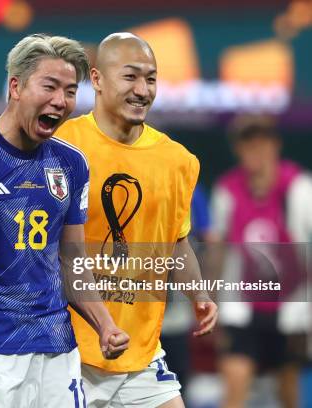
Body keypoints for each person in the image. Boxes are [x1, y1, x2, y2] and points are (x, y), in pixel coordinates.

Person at [0, 34, 129, 407]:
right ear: (16, 87)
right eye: (49, 86)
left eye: (69, 91)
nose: (60, 101)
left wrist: (105, 324)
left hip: (57, 345)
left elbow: (72, 260)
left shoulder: (72, 164)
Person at [52, 32, 218, 408]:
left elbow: (176, 242)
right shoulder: (61, 144)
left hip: (139, 352)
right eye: (130, 77)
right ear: (96, 80)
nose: (143, 90)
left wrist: (199, 294)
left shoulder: (179, 161)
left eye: (151, 78)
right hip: (64, 349)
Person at [211, 115, 311, 408]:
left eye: (262, 143)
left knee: (288, 392)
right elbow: (218, 250)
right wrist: (209, 301)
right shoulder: (227, 190)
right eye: (248, 144)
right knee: (235, 384)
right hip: (241, 309)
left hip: (290, 308)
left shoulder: (299, 188)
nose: (255, 150)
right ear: (238, 149)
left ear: (275, 145)